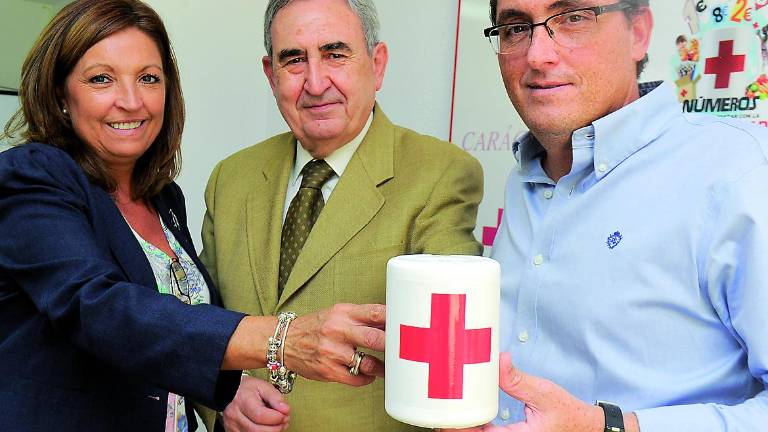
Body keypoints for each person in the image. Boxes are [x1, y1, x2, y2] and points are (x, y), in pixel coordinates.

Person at [0, 1, 387, 431]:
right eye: (101, 79)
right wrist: (281, 340)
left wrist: (229, 389)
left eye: (148, 78)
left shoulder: (163, 198)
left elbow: (173, 327)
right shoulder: (31, 177)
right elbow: (99, 308)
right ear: (60, 95)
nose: (130, 101)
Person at [446, 0, 768, 431]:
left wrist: (613, 427)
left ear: (638, 32)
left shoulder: (737, 175)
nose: (537, 55)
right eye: (515, 28)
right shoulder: (526, 176)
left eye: (573, 17)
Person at [199, 0, 484, 430]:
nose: (316, 82)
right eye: (294, 59)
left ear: (378, 63)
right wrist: (222, 395)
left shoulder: (439, 174)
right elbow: (201, 318)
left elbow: (448, 357)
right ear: (270, 74)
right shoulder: (231, 178)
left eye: (335, 53)